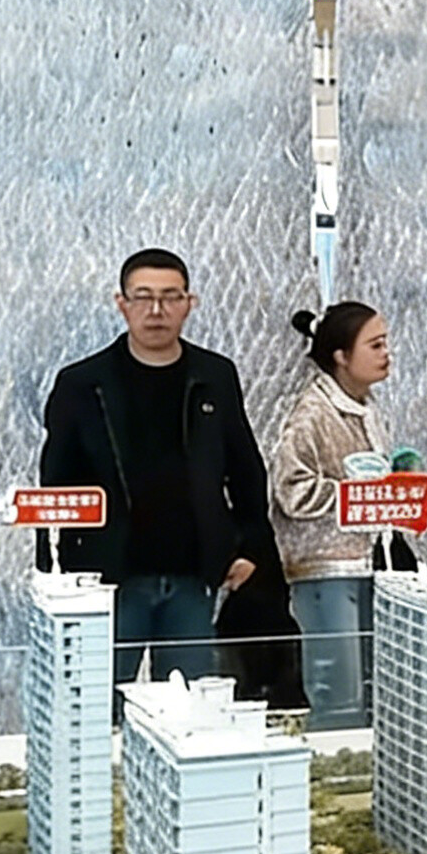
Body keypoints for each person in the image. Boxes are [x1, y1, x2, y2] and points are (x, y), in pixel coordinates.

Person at [39, 247, 270, 712]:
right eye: (143, 297)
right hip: (107, 579)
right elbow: (54, 487)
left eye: (170, 297)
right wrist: (54, 575)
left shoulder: (215, 375)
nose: (157, 310)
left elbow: (246, 469)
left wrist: (250, 548)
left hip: (194, 577)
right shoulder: (81, 383)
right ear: (121, 304)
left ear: (190, 303)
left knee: (189, 713)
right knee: (95, 709)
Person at [271, 301, 398, 728]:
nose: (386, 353)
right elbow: (290, 489)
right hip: (324, 571)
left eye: (386, 343)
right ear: (341, 356)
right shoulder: (312, 413)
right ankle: (337, 763)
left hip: (369, 563)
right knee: (338, 693)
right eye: (375, 345)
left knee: (375, 688)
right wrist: (353, 495)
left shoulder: (366, 407)